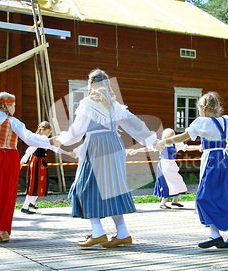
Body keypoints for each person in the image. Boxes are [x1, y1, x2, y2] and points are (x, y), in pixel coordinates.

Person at [154, 92, 228, 249]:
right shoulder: (225, 121)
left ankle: (215, 235)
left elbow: (182, 137)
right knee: (226, 196)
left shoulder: (202, 122)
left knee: (205, 197)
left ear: (203, 108)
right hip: (225, 160)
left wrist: (163, 142)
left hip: (212, 160)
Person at [51, 69, 157, 248]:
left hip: (96, 146)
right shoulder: (115, 104)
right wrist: (153, 141)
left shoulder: (88, 103)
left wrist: (60, 139)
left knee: (86, 186)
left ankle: (98, 232)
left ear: (90, 83)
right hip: (114, 145)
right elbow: (135, 125)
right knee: (113, 188)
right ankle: (122, 233)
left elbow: (76, 133)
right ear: (107, 83)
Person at [0, 92, 54, 242]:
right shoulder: (13, 122)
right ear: (7, 105)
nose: (14, 108)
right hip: (7, 157)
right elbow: (29, 138)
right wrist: (50, 141)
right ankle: (2, 230)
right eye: (13, 105)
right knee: (5, 193)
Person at [128, 128, 201, 209]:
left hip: (172, 165)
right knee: (166, 183)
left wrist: (198, 147)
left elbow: (186, 147)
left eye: (172, 137)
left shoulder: (176, 143)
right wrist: (136, 151)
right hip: (164, 165)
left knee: (179, 181)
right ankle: (163, 203)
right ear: (165, 137)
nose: (171, 138)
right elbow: (148, 148)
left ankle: (175, 201)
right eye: (170, 137)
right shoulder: (161, 143)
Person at [20, 121, 75, 214]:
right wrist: (22, 161)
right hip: (37, 162)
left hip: (41, 163)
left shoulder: (45, 140)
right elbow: (29, 150)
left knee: (41, 183)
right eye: (48, 132)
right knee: (34, 184)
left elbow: (55, 148)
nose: (49, 134)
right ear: (42, 130)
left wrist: (67, 153)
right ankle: (24, 206)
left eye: (50, 132)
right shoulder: (38, 139)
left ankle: (31, 203)